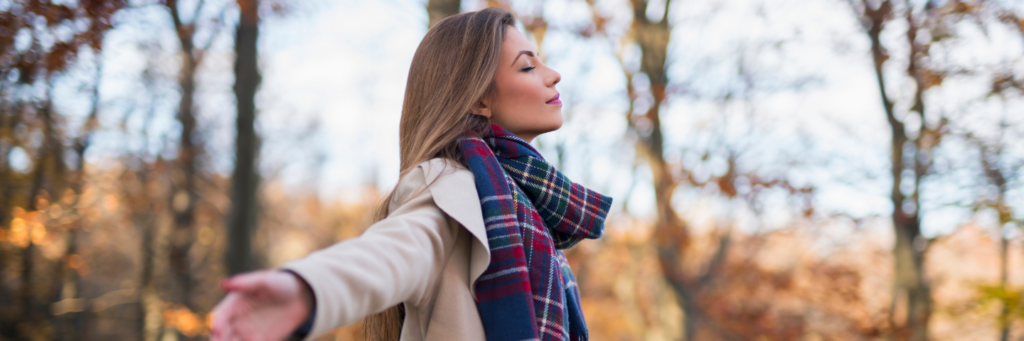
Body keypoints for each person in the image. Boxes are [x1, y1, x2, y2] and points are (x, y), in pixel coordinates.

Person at [210, 7, 612, 341]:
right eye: (527, 67)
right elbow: (391, 254)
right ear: (479, 98)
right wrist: (306, 291)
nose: (552, 74)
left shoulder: (522, 207)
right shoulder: (450, 185)